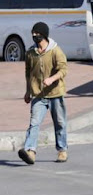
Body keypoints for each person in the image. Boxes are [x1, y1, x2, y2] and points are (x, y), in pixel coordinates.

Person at [17, 22, 69, 165]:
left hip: (55, 94)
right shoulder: (30, 53)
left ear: (44, 35)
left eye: (37, 33)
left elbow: (63, 70)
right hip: (38, 95)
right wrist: (28, 91)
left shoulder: (55, 51)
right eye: (33, 33)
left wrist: (52, 79)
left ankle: (62, 150)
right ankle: (30, 152)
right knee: (34, 123)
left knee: (59, 123)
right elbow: (28, 73)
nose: (34, 35)